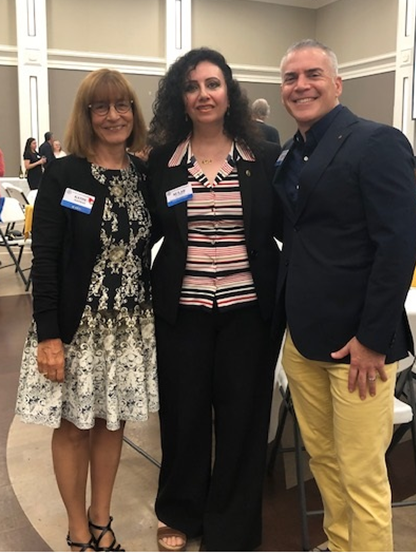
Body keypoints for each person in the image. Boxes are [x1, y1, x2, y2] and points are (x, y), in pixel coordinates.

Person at [274, 39, 416, 552]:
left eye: (313, 74)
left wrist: (373, 340)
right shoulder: (290, 153)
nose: (301, 86)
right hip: (302, 342)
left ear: (337, 83)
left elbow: (398, 247)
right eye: (291, 78)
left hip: (360, 348)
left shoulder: (376, 142)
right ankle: (339, 545)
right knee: (324, 463)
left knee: (362, 474)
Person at [15, 68, 159, 552]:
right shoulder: (64, 174)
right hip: (77, 326)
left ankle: (101, 520)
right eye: (101, 107)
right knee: (74, 427)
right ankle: (78, 531)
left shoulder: (143, 176)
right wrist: (49, 335)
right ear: (87, 114)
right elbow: (46, 259)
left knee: (111, 422)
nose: (114, 115)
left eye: (122, 105)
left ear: (133, 112)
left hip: (128, 326)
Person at [147, 47, 283, 552]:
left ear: (229, 93)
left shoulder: (263, 157)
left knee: (242, 419)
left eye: (212, 84)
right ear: (179, 99)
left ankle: (232, 527)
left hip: (249, 313)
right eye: (191, 87)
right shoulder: (163, 161)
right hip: (182, 312)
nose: (202, 94)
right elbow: (144, 231)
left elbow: (289, 226)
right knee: (182, 416)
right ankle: (180, 510)